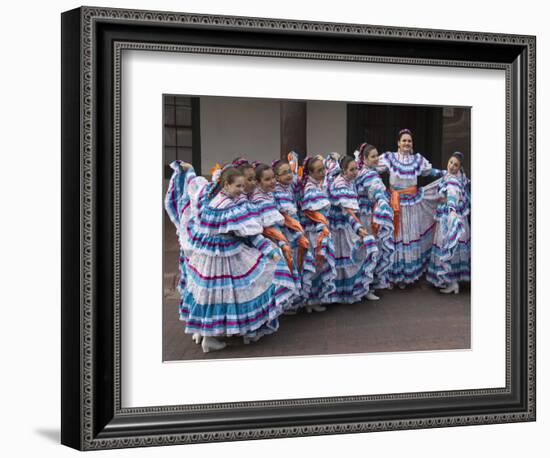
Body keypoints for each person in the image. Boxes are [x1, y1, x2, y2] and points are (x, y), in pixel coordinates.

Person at [166, 162, 291, 353]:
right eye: (238, 186)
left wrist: (190, 170)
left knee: (210, 294)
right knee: (229, 292)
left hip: (210, 255)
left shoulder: (213, 201)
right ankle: (213, 336)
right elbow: (249, 233)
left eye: (243, 185)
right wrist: (269, 249)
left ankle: (207, 333)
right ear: (226, 184)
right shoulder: (229, 206)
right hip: (225, 255)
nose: (242, 190)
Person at [377, 129, 443, 287]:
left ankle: (405, 276)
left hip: (411, 203)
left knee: (408, 237)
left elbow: (429, 171)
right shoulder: (389, 158)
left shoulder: (417, 160)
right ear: (398, 143)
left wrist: (445, 173)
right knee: (394, 237)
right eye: (404, 140)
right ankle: (392, 275)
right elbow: (374, 168)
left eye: (409, 141)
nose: (407, 143)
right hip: (394, 202)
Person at [327, 155, 379, 303]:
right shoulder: (340, 184)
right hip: (341, 227)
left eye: (356, 168)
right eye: (352, 169)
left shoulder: (351, 181)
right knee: (352, 256)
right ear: (343, 170)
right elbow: (347, 210)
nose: (355, 172)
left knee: (352, 257)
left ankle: (357, 290)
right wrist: (358, 228)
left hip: (348, 225)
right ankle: (348, 292)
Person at [272, 158, 316, 310]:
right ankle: (289, 303)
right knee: (292, 263)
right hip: (286, 232)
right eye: (283, 173)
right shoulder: (276, 192)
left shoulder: (289, 187)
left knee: (299, 262)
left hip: (296, 228)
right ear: (276, 177)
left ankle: (298, 300)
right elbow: (284, 215)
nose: (288, 175)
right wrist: (297, 233)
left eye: (289, 171)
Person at [427, 152, 471, 293]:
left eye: (455, 165)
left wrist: (451, 209)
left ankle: (451, 282)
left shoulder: (452, 180)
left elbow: (452, 196)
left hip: (450, 217)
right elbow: (438, 172)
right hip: (456, 216)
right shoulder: (457, 176)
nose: (452, 166)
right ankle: (454, 281)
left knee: (448, 245)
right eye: (451, 162)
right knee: (454, 247)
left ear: (460, 167)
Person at [354, 143, 395, 294]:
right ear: (364, 158)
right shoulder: (369, 174)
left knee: (368, 249)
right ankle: (367, 287)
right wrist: (382, 201)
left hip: (365, 213)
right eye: (373, 156)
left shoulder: (364, 171)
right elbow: (376, 190)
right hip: (365, 216)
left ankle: (366, 285)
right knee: (369, 250)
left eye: (377, 155)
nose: (376, 159)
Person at [299, 156, 337, 311]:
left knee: (318, 264)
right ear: (310, 173)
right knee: (315, 264)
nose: (323, 172)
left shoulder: (318, 185)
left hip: (320, 230)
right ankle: (310, 301)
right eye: (319, 170)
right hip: (314, 232)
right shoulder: (310, 190)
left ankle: (313, 300)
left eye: (324, 169)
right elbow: (316, 214)